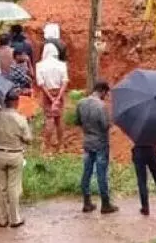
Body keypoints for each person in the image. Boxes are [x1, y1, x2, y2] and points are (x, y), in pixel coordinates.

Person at [75, 80, 117, 214]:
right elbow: (105, 126)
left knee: (86, 172)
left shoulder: (81, 103)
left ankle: (86, 202)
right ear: (103, 91)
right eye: (106, 93)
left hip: (87, 142)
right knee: (101, 173)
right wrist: (111, 123)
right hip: (101, 143)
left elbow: (78, 122)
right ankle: (105, 204)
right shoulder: (101, 106)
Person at [0, 89, 32, 227]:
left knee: (0, 187)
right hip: (15, 154)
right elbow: (28, 139)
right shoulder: (21, 118)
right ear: (16, 102)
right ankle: (15, 219)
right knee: (13, 188)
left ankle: (2, 219)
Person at [36, 43, 68, 152]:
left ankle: (47, 147)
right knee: (59, 119)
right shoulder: (62, 65)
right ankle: (61, 146)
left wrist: (51, 98)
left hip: (47, 93)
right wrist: (58, 98)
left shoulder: (39, 65)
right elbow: (65, 82)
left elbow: (41, 84)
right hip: (59, 91)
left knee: (49, 119)